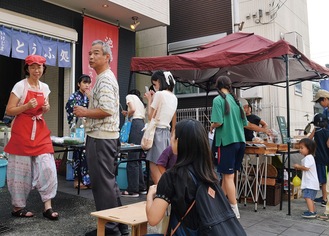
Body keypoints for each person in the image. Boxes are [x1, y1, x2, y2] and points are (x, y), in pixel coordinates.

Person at [73, 40, 128, 236]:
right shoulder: (105, 78)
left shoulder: (104, 79)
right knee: (109, 183)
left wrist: (84, 111)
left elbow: (106, 109)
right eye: (89, 53)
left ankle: (110, 230)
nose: (91, 56)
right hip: (107, 137)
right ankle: (120, 225)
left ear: (107, 57)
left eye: (96, 53)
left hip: (100, 138)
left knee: (102, 184)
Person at [4, 54, 59, 220]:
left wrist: (46, 108)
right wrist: (26, 106)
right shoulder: (20, 86)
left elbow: (44, 108)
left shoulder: (45, 87)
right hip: (22, 131)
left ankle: (47, 207)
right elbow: (9, 110)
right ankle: (17, 207)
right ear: (27, 68)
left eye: (40, 67)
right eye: (33, 67)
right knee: (21, 171)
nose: (37, 70)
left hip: (40, 130)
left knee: (48, 167)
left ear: (43, 69)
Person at [146, 119, 219, 233]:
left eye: (172, 135)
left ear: (178, 141)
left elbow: (153, 219)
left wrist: (150, 195)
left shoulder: (172, 176)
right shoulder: (210, 175)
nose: (170, 139)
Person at [210, 75, 248, 219]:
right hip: (240, 142)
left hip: (227, 142)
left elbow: (218, 122)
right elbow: (244, 123)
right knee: (228, 176)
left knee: (228, 177)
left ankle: (234, 210)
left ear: (218, 86)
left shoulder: (218, 100)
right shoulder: (237, 101)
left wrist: (211, 126)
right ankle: (218, 204)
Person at [144, 71, 177, 184]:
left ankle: (160, 197)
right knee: (164, 169)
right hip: (167, 134)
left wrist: (149, 100)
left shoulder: (159, 94)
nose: (154, 86)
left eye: (155, 84)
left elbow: (150, 116)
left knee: (155, 171)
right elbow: (174, 119)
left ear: (159, 81)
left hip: (156, 134)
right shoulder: (174, 97)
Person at [65, 74, 91, 190]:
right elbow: (69, 108)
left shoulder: (87, 96)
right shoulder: (74, 96)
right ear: (78, 84)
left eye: (88, 83)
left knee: (86, 154)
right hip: (78, 128)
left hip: (87, 128)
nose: (87, 85)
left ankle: (86, 180)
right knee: (78, 154)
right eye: (84, 82)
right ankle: (77, 180)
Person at [121, 89, 147, 197]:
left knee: (132, 158)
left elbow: (132, 109)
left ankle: (132, 190)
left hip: (135, 125)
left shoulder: (129, 96)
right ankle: (141, 187)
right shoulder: (141, 102)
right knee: (138, 158)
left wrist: (127, 114)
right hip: (141, 125)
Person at [308, 114, 329, 219]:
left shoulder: (316, 131)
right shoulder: (327, 132)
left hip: (319, 158)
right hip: (326, 159)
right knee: (324, 180)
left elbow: (308, 140)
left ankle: (324, 199)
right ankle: (324, 198)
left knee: (322, 180)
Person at [293, 138, 319, 219]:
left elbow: (306, 168)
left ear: (309, 149)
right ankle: (312, 210)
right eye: (299, 148)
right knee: (310, 198)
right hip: (311, 183)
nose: (300, 150)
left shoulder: (308, 157)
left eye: (302, 148)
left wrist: (298, 166)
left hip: (310, 183)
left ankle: (311, 212)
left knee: (307, 197)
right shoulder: (309, 157)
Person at [312, 90, 329, 205]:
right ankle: (324, 197)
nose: (319, 104)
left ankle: (325, 199)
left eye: (319, 101)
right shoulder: (326, 110)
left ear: (325, 99)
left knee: (325, 177)